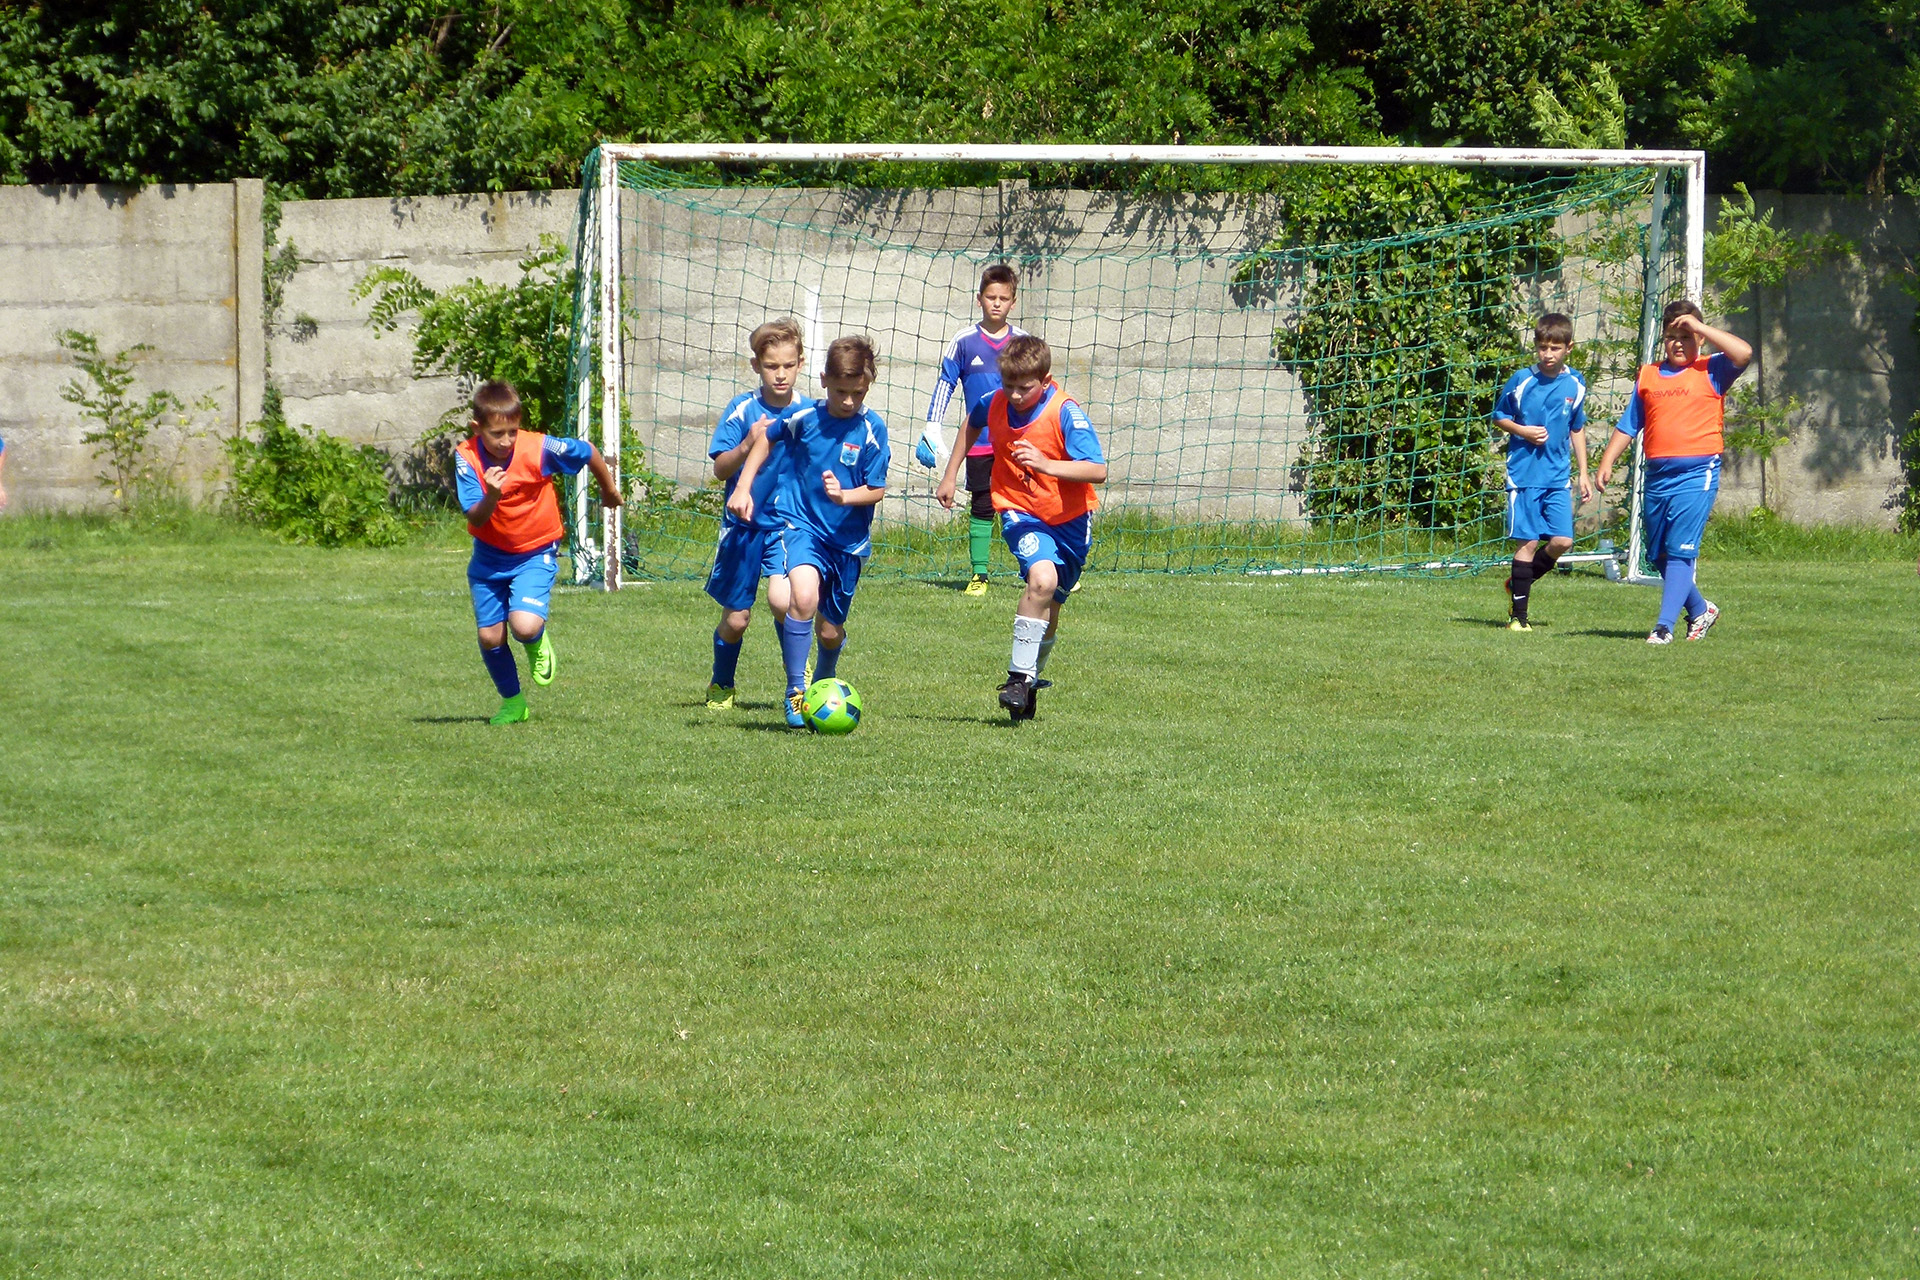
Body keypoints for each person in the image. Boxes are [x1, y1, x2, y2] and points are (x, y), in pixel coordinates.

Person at [936, 335, 1106, 721]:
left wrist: (1046, 464)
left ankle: (1029, 681)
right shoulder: (995, 401)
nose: (1013, 395)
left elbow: (1097, 470)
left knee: (1051, 608)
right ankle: (1017, 678)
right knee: (1041, 581)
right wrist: (950, 473)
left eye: (1024, 388)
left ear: (1045, 381)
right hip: (1019, 510)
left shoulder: (1065, 412)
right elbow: (971, 424)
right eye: (1008, 384)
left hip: (1070, 520)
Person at [730, 336, 891, 727]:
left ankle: (824, 677)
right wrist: (743, 486)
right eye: (840, 392)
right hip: (801, 525)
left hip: (848, 542)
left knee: (830, 631)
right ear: (823, 381)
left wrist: (845, 496)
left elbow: (876, 489)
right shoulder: (804, 418)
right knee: (801, 597)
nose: (848, 401)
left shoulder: (872, 429)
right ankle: (795, 691)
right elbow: (765, 439)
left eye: (858, 393)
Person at [453, 380, 621, 723]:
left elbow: (588, 451)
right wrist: (493, 494)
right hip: (489, 556)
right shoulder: (466, 457)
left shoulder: (538, 447)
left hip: (535, 550)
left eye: (512, 432)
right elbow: (476, 516)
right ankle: (513, 704)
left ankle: (536, 641)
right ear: (476, 428)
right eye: (497, 434)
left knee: (525, 626)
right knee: (489, 637)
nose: (506, 441)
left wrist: (608, 490)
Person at [1596, 299, 1752, 643]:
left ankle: (1663, 626)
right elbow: (1629, 424)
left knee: (1681, 550)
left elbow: (1744, 353)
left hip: (1697, 474)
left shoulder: (1712, 369)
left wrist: (1699, 326)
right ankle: (1700, 610)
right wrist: (1607, 462)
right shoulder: (1649, 375)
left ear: (1700, 338)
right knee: (1659, 554)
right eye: (1672, 337)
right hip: (1657, 476)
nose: (1679, 343)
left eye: (1687, 336)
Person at [703, 317, 808, 709]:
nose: (780, 374)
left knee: (784, 602)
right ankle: (722, 682)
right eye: (771, 366)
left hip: (786, 527)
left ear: (800, 364)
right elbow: (720, 470)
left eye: (788, 365)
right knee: (737, 620)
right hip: (743, 528)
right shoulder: (742, 409)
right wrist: (747, 444)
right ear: (756, 366)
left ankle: (798, 681)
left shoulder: (809, 412)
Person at [918, 264, 1025, 595]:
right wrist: (932, 426)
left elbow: (1041, 388)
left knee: (1026, 505)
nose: (996, 303)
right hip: (980, 442)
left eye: (1003, 298)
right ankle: (979, 574)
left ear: (1013, 302)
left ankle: (1042, 566)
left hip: (1018, 442)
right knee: (982, 505)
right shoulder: (963, 341)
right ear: (979, 299)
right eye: (991, 297)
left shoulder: (1023, 342)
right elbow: (945, 383)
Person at [1492, 313, 1591, 630]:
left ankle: (1518, 583)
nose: (1548, 354)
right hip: (1524, 475)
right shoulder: (1522, 380)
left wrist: (1584, 473)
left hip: (1557, 477)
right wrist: (1523, 431)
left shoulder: (1575, 383)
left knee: (1562, 541)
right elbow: (1499, 416)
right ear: (1536, 347)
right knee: (1528, 542)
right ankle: (1518, 618)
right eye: (1542, 347)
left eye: (1555, 348)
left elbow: (1577, 427)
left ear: (1569, 348)